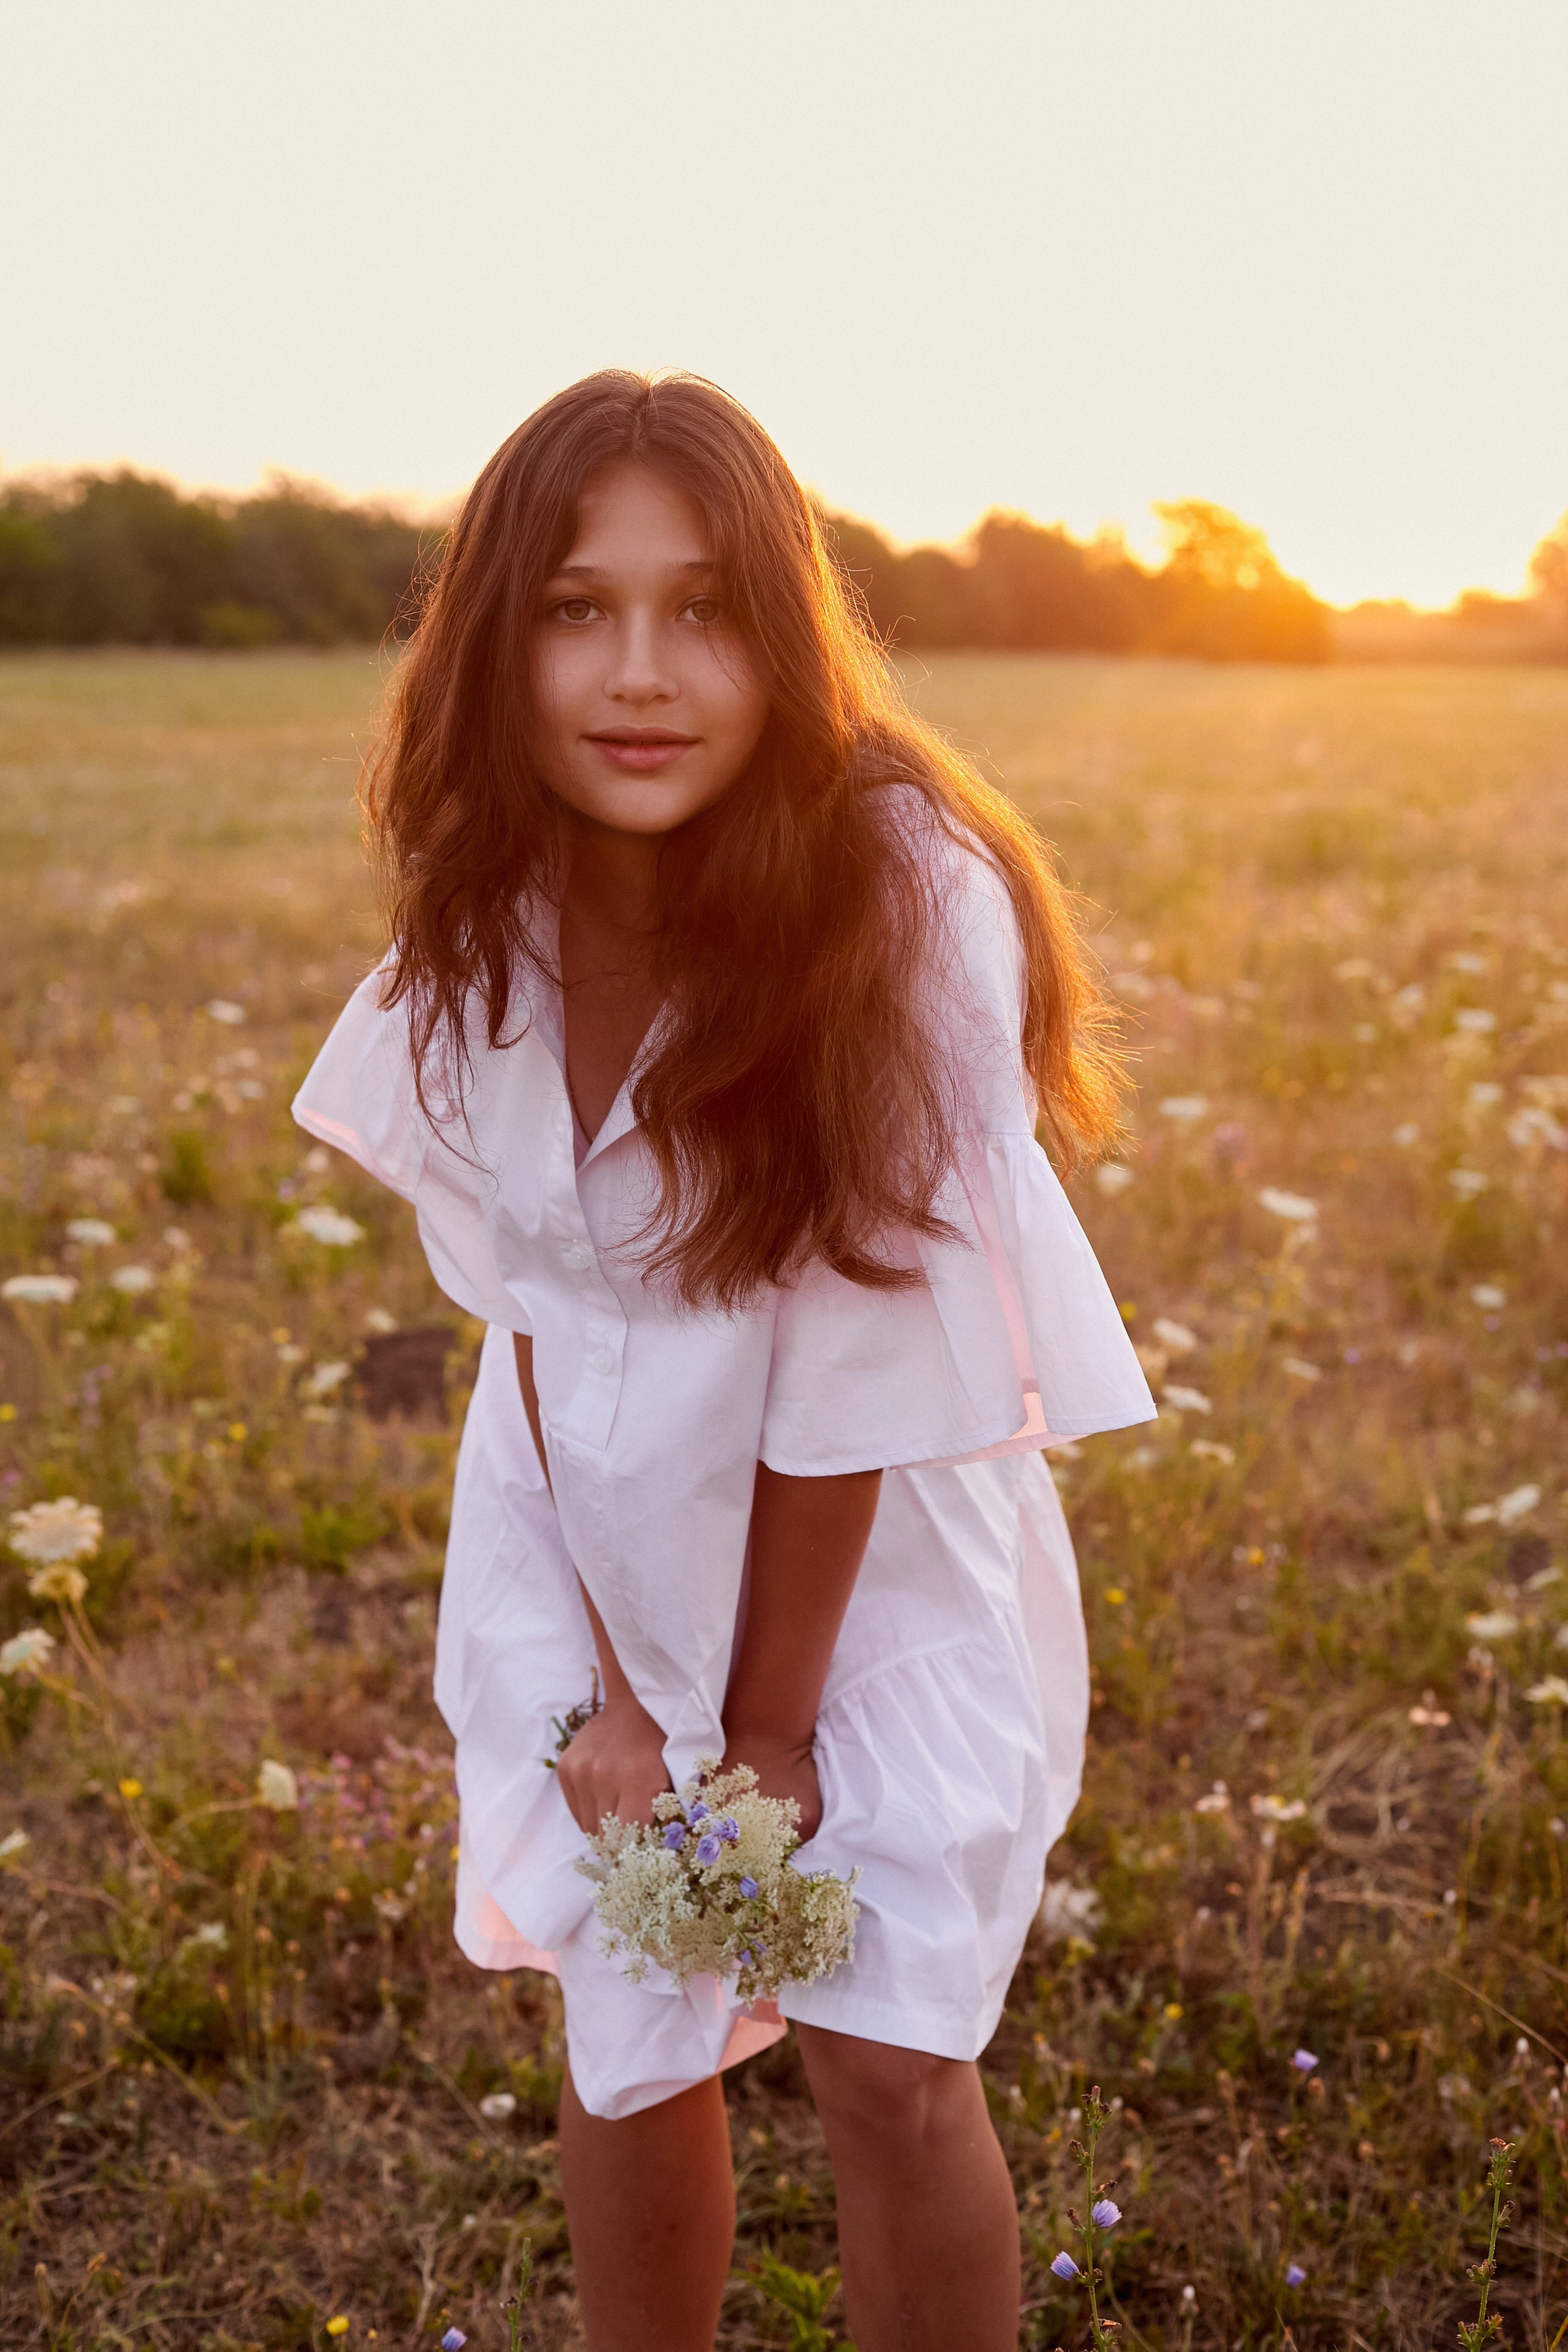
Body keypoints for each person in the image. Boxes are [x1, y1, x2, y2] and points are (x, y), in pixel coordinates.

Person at [293, 371, 1153, 2351]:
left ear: (786, 633)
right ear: (495, 645)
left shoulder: (904, 892)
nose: (642, 674)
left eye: (704, 610)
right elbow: (529, 1309)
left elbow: (857, 1361)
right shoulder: (490, 902)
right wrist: (610, 1691)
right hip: (586, 1519)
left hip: (862, 1556)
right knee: (634, 2017)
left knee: (884, 2061)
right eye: (577, 610)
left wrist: (754, 1743)